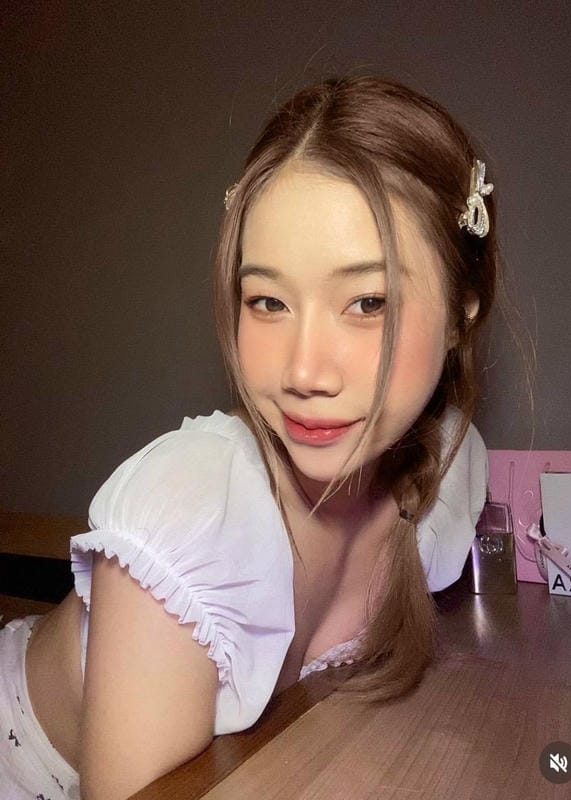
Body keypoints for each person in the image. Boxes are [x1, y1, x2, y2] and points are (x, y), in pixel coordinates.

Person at [0, 74, 496, 799]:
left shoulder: (450, 465)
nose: (303, 371)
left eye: (367, 301)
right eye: (267, 301)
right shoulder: (195, 511)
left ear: (461, 313)